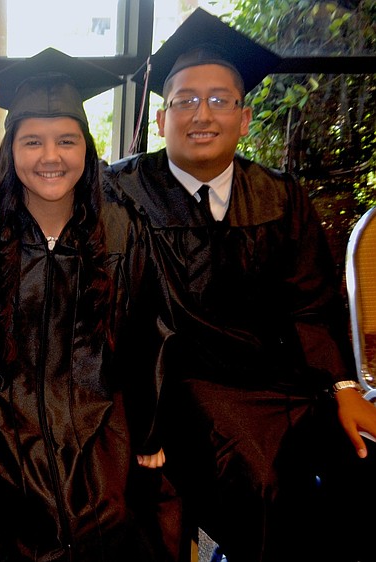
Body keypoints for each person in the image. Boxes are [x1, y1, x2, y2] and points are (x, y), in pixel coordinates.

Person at [104, 8, 376, 562]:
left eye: (219, 100)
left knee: (364, 464)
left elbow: (312, 303)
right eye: (185, 100)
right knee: (262, 485)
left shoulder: (280, 195)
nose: (201, 114)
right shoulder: (120, 192)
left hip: (283, 382)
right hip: (180, 384)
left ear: (245, 117)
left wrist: (343, 388)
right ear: (161, 121)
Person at [0, 48, 167, 561]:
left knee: (109, 529)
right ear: (10, 147)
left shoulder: (122, 227)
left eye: (66, 140)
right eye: (32, 142)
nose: (51, 157)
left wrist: (150, 432)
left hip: (99, 428)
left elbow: (148, 333)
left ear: (87, 148)